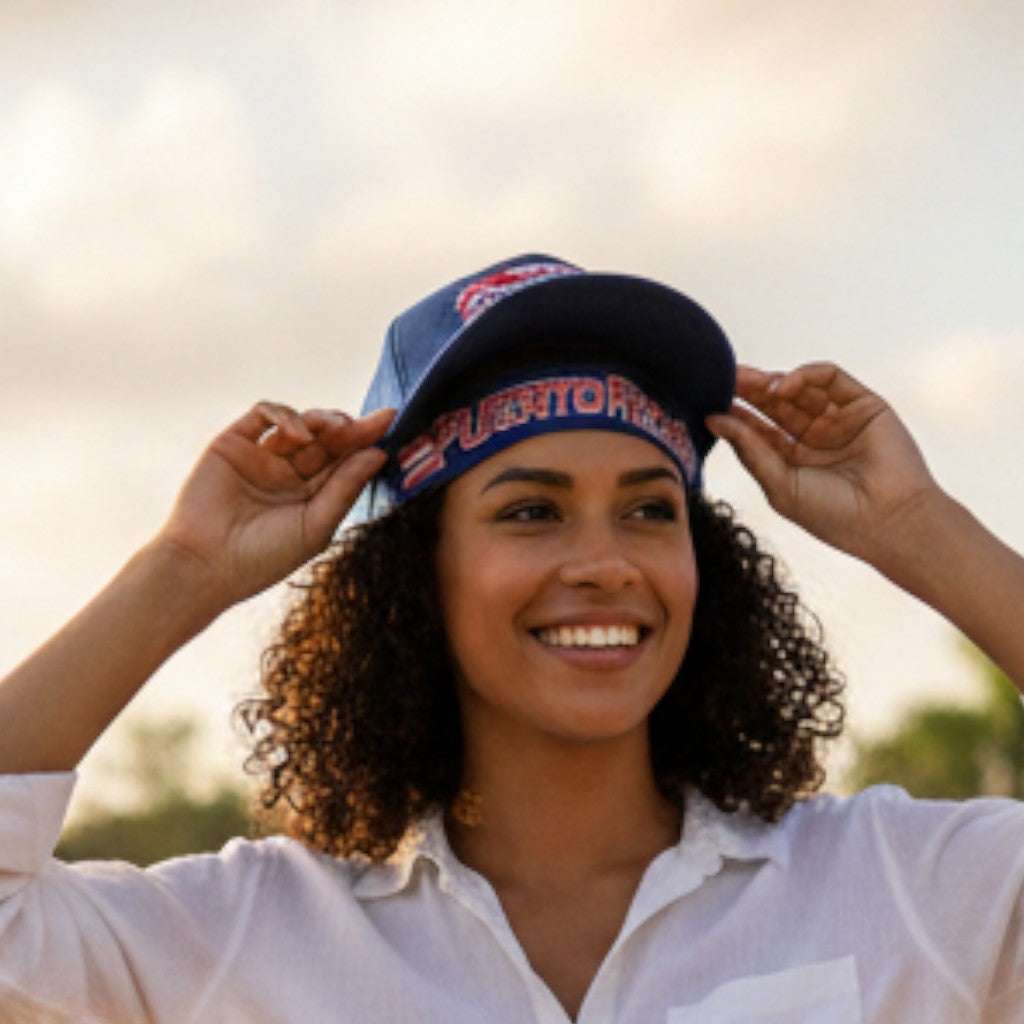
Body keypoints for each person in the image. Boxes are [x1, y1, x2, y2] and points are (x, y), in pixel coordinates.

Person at [1, 254, 1023, 1023]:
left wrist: (919, 528)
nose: (606, 562)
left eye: (649, 509)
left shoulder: (900, 889)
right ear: (415, 574)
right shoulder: (241, 938)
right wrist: (184, 568)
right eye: (532, 512)